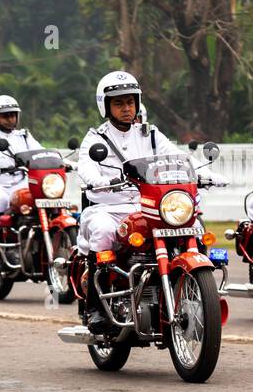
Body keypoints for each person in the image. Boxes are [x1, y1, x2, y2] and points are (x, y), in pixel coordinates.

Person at [75, 71, 182, 331]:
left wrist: (201, 172)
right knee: (101, 231)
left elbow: (176, 156)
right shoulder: (95, 138)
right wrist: (97, 180)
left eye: (130, 102)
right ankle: (96, 309)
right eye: (119, 103)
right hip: (108, 208)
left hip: (147, 206)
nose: (127, 108)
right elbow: (86, 166)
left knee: (188, 223)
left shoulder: (151, 134)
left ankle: (195, 287)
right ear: (106, 106)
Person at [0, 95, 44, 269]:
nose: (10, 119)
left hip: (20, 183)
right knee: (0, 200)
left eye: (13, 115)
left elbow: (40, 151)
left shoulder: (24, 136)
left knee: (42, 199)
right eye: (5, 116)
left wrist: (61, 161)